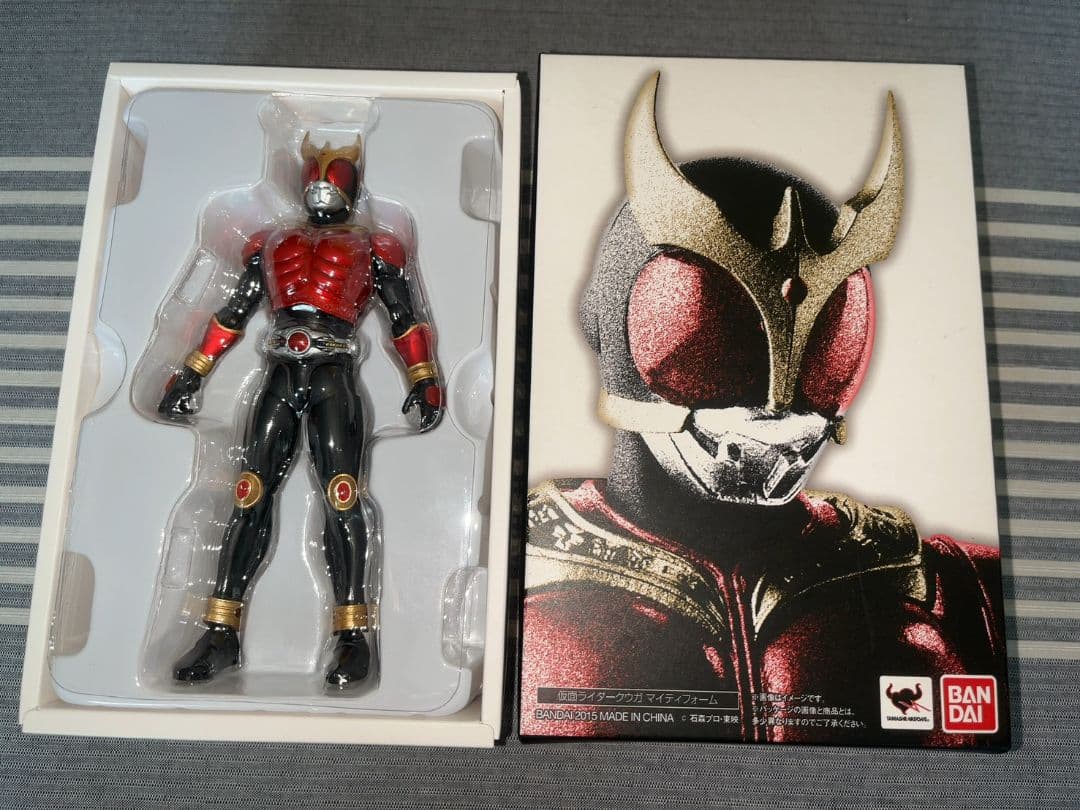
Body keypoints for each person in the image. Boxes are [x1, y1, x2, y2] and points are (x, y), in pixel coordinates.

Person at [520, 75, 1008, 745]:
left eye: (830, 338)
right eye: (714, 339)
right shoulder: (514, 569)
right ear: (611, 323)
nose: (775, 408)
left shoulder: (956, 587)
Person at [160, 134, 443, 689]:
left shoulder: (376, 246)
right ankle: (220, 632)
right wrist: (191, 371)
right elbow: (234, 311)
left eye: (335, 172)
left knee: (343, 497)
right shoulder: (271, 242)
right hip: (280, 373)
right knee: (251, 494)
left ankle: (353, 637)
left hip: (334, 373)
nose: (322, 182)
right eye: (316, 170)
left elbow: (404, 317)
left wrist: (424, 379)